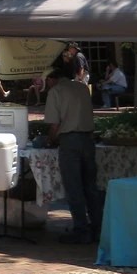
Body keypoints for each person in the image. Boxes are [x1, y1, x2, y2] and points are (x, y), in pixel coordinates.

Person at [45, 54, 102, 244]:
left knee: (74, 187)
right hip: (88, 139)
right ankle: (98, 228)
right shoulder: (82, 87)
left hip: (70, 141)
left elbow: (54, 125)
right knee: (91, 187)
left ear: (51, 79)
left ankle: (81, 229)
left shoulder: (56, 92)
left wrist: (50, 140)